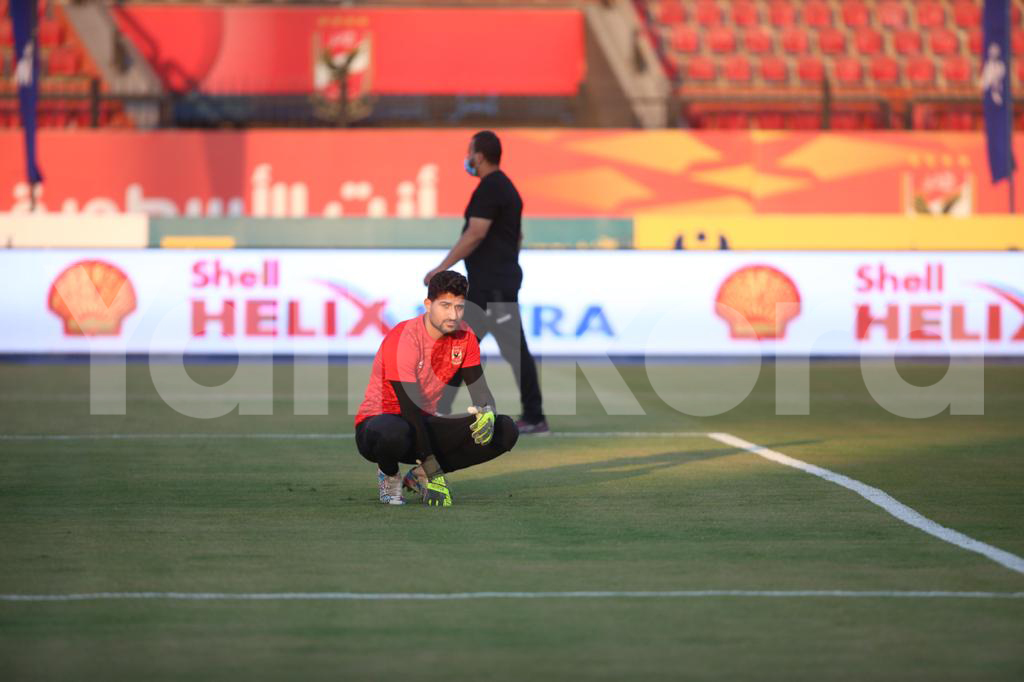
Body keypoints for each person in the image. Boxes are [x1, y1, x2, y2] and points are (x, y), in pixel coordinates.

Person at [354, 270, 519, 506]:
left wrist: (487, 411)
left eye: (460, 307)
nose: (453, 314)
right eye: (445, 305)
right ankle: (389, 474)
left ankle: (417, 476)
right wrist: (435, 474)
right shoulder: (405, 337)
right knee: (394, 432)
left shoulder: (465, 337)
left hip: (423, 423)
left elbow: (479, 389)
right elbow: (409, 410)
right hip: (379, 426)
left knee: (505, 429)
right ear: (428, 305)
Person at [424, 130, 548, 434]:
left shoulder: (491, 189)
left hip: (492, 287)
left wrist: (442, 268)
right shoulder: (505, 188)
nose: (467, 158)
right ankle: (533, 416)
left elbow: (476, 233)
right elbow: (515, 237)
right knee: (465, 345)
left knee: (473, 347)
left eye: (470, 152)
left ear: (478, 156)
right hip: (494, 283)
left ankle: (533, 416)